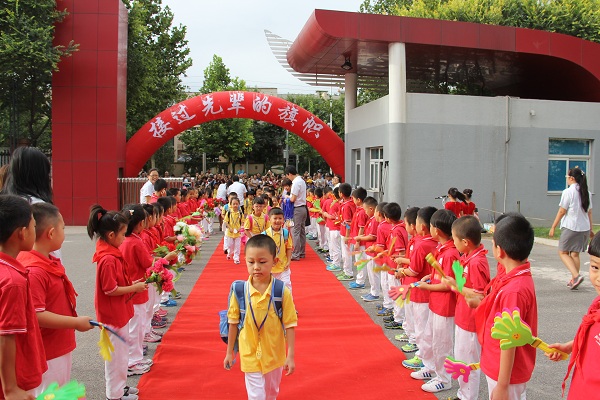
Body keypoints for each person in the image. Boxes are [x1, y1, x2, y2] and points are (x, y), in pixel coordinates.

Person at [17, 203, 93, 395]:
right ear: (51, 233)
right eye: (63, 228)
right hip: (47, 350)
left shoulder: (46, 262)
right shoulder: (35, 270)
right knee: (51, 393)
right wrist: (75, 322)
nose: (64, 233)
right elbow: (37, 315)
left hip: (56, 345)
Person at [223, 235, 298, 400]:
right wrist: (230, 352)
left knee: (271, 394)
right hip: (249, 353)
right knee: (256, 396)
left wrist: (290, 356)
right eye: (251, 262)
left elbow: (290, 324)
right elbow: (233, 322)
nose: (256, 267)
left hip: (274, 354)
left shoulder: (281, 291)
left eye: (262, 262)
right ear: (245, 261)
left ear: (275, 261)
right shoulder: (239, 290)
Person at [88, 205, 148, 400]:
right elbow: (110, 289)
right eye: (123, 234)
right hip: (112, 314)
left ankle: (119, 388)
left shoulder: (111, 254)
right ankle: (114, 395)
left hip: (117, 312)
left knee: (121, 355)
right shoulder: (108, 259)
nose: (125, 238)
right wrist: (133, 288)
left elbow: (116, 284)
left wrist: (133, 283)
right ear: (112, 235)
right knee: (115, 358)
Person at [476, 213, 537, 400]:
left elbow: (509, 341)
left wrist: (502, 386)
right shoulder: (514, 276)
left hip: (506, 373)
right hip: (498, 365)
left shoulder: (514, 291)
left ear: (499, 251)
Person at [0, 195, 47, 399]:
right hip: (14, 377)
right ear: (21, 233)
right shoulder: (13, 281)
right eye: (34, 225)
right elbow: (6, 336)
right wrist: (10, 388)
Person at [410, 209, 459, 393]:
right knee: (432, 338)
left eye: (430, 226)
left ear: (436, 230)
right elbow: (440, 276)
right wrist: (429, 280)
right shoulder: (442, 249)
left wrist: (427, 287)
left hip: (444, 306)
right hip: (436, 303)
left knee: (442, 344)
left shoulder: (450, 253)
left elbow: (449, 284)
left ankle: (444, 379)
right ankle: (431, 367)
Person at [547, 233, 600, 399]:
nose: (598, 278)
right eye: (595, 267)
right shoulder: (597, 303)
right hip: (581, 388)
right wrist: (571, 346)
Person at [444, 215, 490, 400]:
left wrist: (456, 285)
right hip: (463, 317)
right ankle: (463, 394)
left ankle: (468, 397)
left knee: (468, 362)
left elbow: (479, 295)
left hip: (471, 321)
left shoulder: (477, 262)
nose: (453, 243)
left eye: (454, 239)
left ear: (465, 241)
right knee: (461, 357)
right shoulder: (468, 257)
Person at [400, 206, 438, 369]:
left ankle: (423, 357)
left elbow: (414, 269)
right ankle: (425, 355)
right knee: (425, 327)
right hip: (427, 290)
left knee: (423, 328)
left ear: (421, 226)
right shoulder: (434, 242)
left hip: (420, 291)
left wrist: (401, 269)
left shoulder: (422, 244)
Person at [549, 167, 594, 290]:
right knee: (574, 253)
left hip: (571, 226)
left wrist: (553, 226)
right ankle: (574, 279)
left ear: (572, 178)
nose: (567, 180)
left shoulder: (568, 192)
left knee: (563, 252)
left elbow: (562, 210)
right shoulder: (587, 193)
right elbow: (589, 213)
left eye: (567, 177)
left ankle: (576, 275)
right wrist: (590, 229)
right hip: (584, 227)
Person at [263, 207, 294, 293]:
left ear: (283, 219)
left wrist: (288, 261)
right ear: (269, 220)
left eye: (280, 218)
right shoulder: (265, 234)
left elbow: (289, 248)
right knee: (269, 289)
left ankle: (288, 305)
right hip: (269, 268)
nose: (277, 221)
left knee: (287, 287)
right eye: (275, 218)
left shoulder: (285, 233)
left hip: (283, 267)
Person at [285, 166, 307, 261]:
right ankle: (301, 252)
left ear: (289, 174)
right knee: (301, 231)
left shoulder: (296, 182)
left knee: (295, 232)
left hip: (297, 209)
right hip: (303, 208)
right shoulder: (301, 180)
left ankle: (296, 253)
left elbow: (293, 199)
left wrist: (286, 197)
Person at [348, 188, 369, 289]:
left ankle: (360, 281)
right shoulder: (360, 210)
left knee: (360, 260)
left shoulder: (361, 212)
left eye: (353, 198)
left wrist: (358, 241)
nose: (352, 200)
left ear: (359, 200)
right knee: (359, 260)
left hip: (361, 242)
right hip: (358, 239)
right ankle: (359, 279)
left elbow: (362, 227)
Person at [336, 183, 356, 281]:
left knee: (346, 254)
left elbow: (348, 222)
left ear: (341, 193)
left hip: (347, 233)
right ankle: (345, 270)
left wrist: (347, 236)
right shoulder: (348, 203)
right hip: (345, 231)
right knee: (345, 253)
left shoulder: (347, 206)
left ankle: (348, 273)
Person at [224, 197, 244, 264]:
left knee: (237, 246)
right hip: (230, 232)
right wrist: (229, 228)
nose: (235, 205)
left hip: (238, 233)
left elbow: (243, 222)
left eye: (237, 204)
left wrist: (240, 228)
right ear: (231, 204)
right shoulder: (229, 212)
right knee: (230, 245)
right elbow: (226, 221)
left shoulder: (240, 213)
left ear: (239, 204)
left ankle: (236, 258)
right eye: (234, 204)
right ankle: (229, 253)